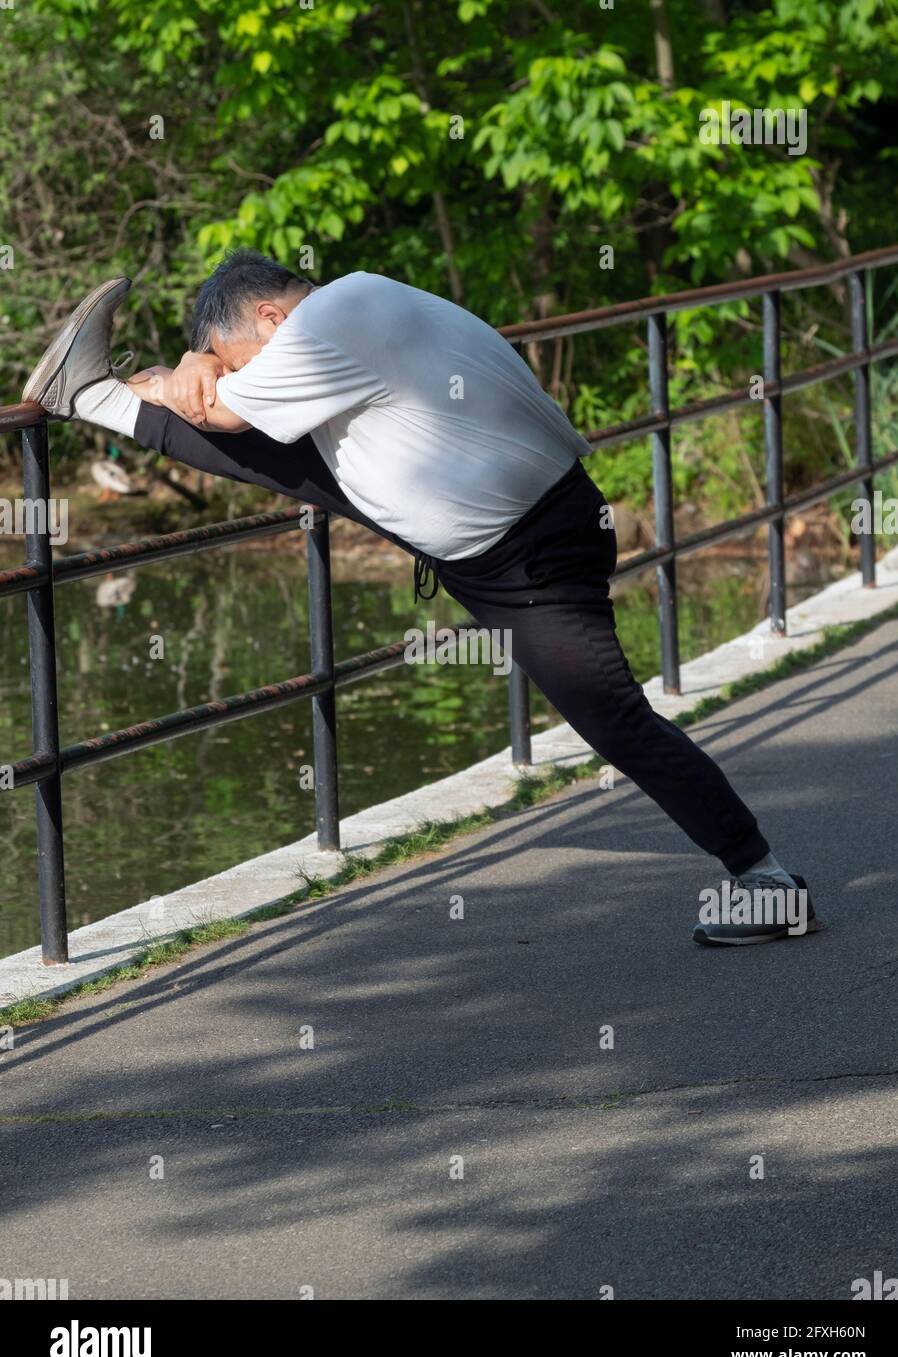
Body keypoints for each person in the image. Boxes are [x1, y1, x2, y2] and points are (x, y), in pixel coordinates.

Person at [22, 253, 821, 945]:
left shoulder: (338, 311)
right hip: (509, 539)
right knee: (282, 460)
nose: (236, 375)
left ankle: (768, 882)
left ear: (269, 317)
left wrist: (179, 378)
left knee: (616, 720)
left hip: (531, 557)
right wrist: (205, 361)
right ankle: (87, 396)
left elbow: (221, 410)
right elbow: (243, 415)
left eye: (237, 358)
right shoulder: (363, 310)